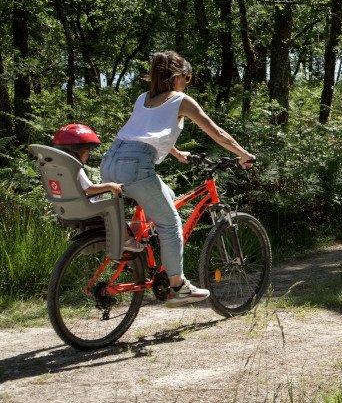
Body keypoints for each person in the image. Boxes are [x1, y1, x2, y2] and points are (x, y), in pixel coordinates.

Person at [101, 51, 255, 308]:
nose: (188, 81)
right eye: (188, 76)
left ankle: (134, 244)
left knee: (168, 197)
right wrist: (242, 154)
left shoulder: (143, 99)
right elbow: (216, 132)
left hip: (110, 162)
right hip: (136, 166)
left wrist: (175, 152)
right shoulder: (181, 100)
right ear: (177, 76)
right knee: (171, 223)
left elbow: (143, 132)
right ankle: (178, 286)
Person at [51, 123, 143, 253]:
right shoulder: (73, 167)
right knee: (115, 208)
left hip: (65, 209)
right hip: (84, 207)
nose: (88, 156)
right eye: (87, 152)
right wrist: (111, 186)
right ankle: (126, 241)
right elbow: (89, 188)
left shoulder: (57, 169)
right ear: (77, 152)